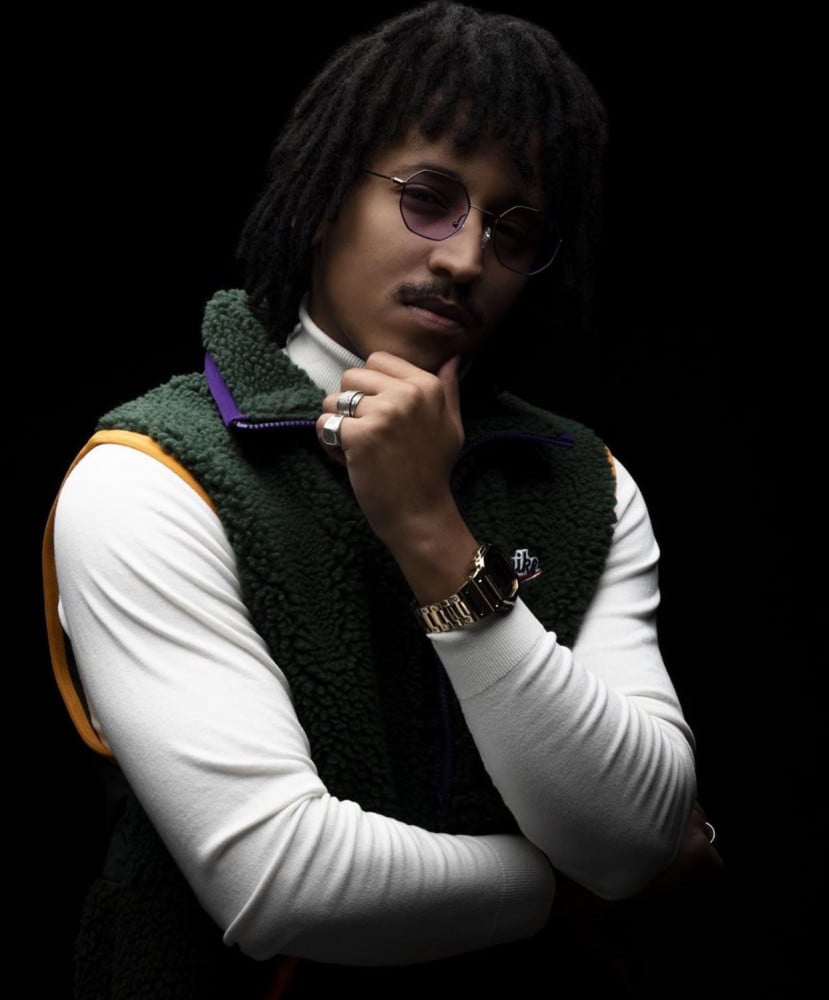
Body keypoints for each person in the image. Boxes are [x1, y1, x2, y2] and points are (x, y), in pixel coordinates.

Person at [42, 3, 723, 997]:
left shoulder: (585, 481)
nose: (465, 258)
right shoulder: (150, 474)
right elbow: (279, 881)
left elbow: (634, 835)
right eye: (428, 198)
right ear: (324, 197)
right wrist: (566, 896)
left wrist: (431, 533)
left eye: (513, 229)